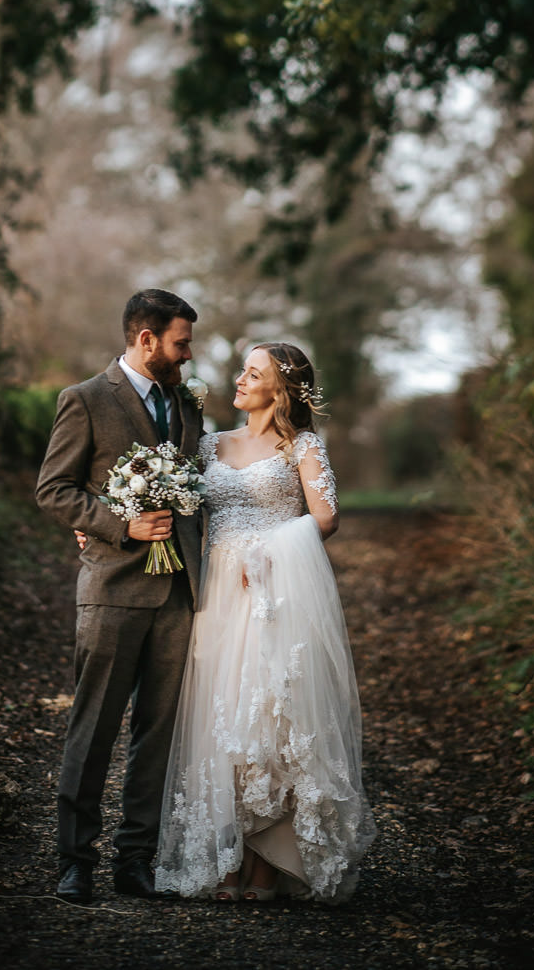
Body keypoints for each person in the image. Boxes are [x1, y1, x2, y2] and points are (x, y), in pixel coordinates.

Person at [154, 342, 375, 903]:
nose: (240, 379)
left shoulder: (302, 446)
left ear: (280, 390)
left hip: (275, 595)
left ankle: (267, 866)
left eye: (253, 374)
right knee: (222, 721)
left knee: (271, 722)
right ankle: (225, 859)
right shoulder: (209, 444)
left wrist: (270, 552)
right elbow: (174, 503)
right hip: (218, 596)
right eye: (243, 370)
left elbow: (325, 517)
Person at [35, 288, 203, 906]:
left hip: (179, 592)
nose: (188, 355)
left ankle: (136, 861)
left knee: (158, 736)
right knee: (94, 729)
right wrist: (118, 523)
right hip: (112, 589)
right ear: (146, 339)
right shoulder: (84, 399)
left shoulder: (188, 404)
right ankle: (74, 861)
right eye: (181, 344)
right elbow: (54, 489)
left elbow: (199, 487)